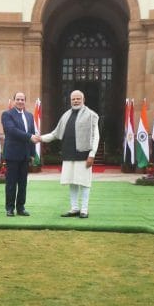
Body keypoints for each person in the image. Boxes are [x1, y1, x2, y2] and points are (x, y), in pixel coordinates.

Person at [38, 90, 100, 218]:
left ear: (83, 100)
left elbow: (95, 136)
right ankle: (74, 208)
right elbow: (55, 134)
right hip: (68, 154)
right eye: (73, 99)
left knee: (84, 182)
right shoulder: (66, 115)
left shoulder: (91, 115)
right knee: (71, 182)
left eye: (78, 98)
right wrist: (40, 138)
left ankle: (84, 210)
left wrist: (92, 154)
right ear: (70, 100)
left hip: (84, 155)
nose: (76, 101)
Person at [1, 93, 38, 217]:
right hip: (12, 154)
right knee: (11, 183)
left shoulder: (29, 116)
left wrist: (32, 153)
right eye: (18, 99)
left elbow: (32, 134)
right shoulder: (7, 115)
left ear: (25, 101)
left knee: (23, 183)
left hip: (25, 155)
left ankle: (21, 208)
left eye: (22, 99)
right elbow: (11, 131)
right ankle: (9, 208)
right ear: (14, 100)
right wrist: (29, 137)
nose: (20, 101)